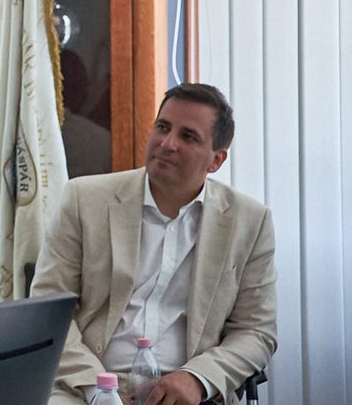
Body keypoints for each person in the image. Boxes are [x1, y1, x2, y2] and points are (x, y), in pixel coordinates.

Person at [31, 83, 277, 404]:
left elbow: (256, 331)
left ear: (216, 160)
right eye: (162, 127)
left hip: (186, 391)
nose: (168, 143)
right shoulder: (84, 200)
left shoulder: (250, 222)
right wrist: (98, 390)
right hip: (86, 387)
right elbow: (48, 312)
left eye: (188, 136)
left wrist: (197, 379)